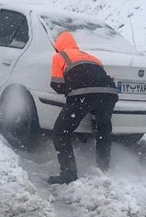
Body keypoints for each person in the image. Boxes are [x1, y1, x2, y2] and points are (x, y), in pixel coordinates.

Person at [49, 31, 119, 184]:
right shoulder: (92, 57)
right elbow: (98, 79)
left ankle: (69, 174)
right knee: (103, 130)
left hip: (83, 94)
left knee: (61, 132)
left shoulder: (59, 56)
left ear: (58, 46)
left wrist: (70, 89)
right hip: (109, 94)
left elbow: (57, 85)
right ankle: (103, 169)